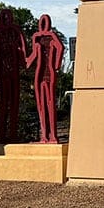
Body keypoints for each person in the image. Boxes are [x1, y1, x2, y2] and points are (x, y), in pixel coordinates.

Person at [0, 8, 25, 143]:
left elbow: (23, 48)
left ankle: (12, 133)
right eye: (4, 17)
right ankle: (2, 135)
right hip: (2, 73)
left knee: (13, 103)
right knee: (3, 103)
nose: (6, 19)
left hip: (13, 73)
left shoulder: (16, 31)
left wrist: (24, 62)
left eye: (8, 17)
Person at [25, 14, 64, 144]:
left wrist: (57, 64)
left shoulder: (52, 37)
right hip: (39, 75)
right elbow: (31, 59)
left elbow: (60, 47)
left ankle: (52, 135)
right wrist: (24, 59)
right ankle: (44, 136)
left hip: (49, 73)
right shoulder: (36, 38)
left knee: (50, 103)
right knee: (41, 106)